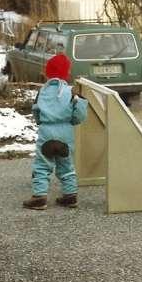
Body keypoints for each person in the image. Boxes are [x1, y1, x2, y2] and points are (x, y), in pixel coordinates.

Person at [23, 54, 88, 210]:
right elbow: (80, 114)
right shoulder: (71, 92)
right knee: (66, 165)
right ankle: (70, 196)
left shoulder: (42, 92)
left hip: (46, 132)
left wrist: (40, 122)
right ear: (67, 72)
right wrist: (72, 122)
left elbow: (36, 111)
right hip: (65, 132)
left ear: (48, 72)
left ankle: (39, 197)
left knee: (42, 165)